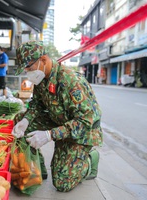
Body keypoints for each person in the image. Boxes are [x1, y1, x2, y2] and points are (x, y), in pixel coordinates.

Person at [12, 41, 103, 192]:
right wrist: (26, 120)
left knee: (62, 183)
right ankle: (37, 168)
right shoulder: (41, 78)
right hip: (58, 120)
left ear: (43, 60)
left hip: (80, 132)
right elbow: (37, 104)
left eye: (29, 67)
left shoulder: (71, 82)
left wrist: (49, 135)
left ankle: (89, 159)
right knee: (20, 120)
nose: (27, 72)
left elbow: (85, 121)